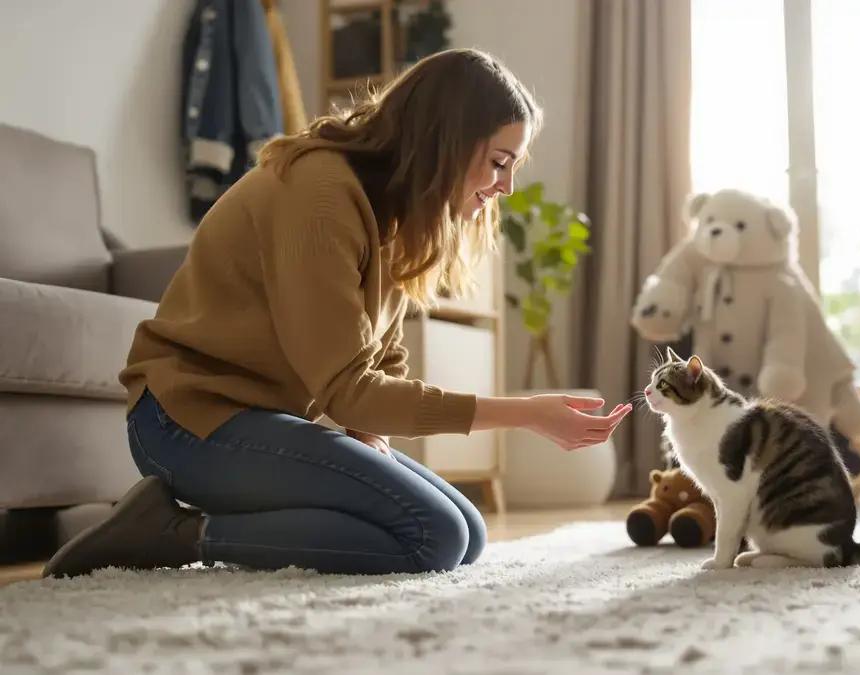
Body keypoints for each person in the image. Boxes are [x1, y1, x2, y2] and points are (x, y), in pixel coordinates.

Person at [43, 48, 631, 579]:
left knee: (467, 532)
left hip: (261, 422)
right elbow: (347, 387)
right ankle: (173, 534)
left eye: (513, 166)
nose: (505, 186)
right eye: (500, 161)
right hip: (184, 421)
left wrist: (366, 438)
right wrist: (526, 414)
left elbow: (380, 355)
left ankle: (201, 521)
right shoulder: (321, 195)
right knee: (434, 535)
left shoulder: (399, 212)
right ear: (447, 141)